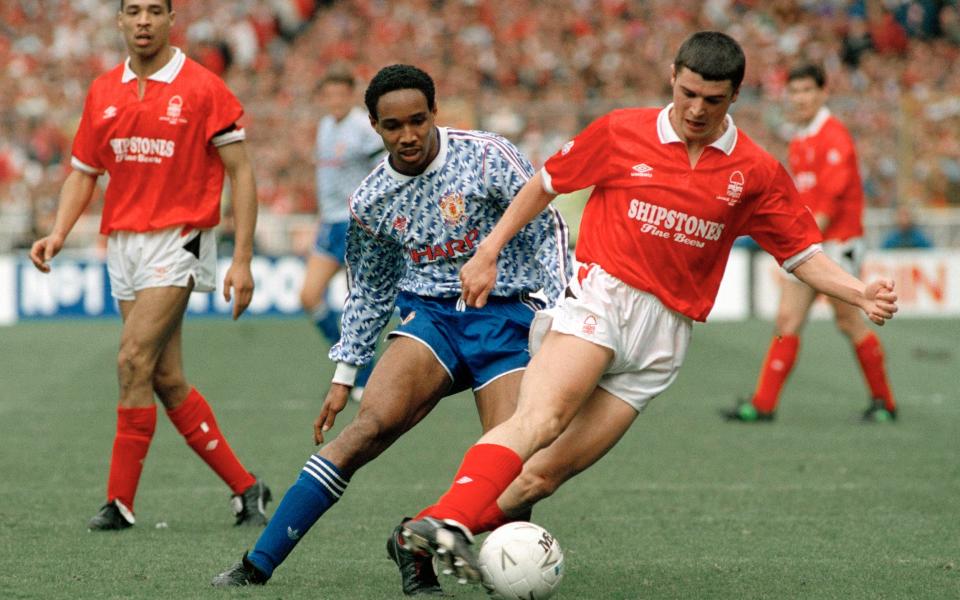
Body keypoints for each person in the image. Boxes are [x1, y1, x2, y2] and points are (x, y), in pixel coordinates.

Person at [395, 32, 899, 585]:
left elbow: (801, 253)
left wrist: (858, 292)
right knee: (542, 419)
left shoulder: (754, 171)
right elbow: (544, 184)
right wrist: (488, 251)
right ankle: (450, 522)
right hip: (602, 298)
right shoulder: (621, 131)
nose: (696, 109)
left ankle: (417, 534)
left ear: (735, 96)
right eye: (688, 93)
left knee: (542, 478)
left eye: (713, 99)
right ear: (673, 77)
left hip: (665, 338)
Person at [211, 64, 570, 592]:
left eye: (418, 121)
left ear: (435, 114)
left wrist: (558, 313)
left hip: (507, 318)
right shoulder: (372, 200)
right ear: (374, 127)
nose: (408, 136)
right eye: (393, 126)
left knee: (517, 464)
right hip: (432, 321)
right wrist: (344, 371)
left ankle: (420, 545)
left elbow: (546, 228)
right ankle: (257, 564)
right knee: (365, 429)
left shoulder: (488, 155)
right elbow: (371, 290)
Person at [29, 0, 270, 531]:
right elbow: (83, 172)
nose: (143, 20)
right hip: (124, 244)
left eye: (154, 11)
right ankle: (247, 488)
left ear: (170, 21)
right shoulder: (103, 91)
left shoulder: (204, 87)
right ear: (119, 20)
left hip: (181, 238)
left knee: (132, 359)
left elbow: (242, 173)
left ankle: (118, 503)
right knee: (164, 376)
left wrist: (244, 257)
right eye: (133, 10)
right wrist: (59, 232)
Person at [725, 63, 898, 423]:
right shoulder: (802, 137)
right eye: (795, 91)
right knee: (787, 320)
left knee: (849, 323)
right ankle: (763, 404)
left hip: (836, 244)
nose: (800, 98)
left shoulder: (833, 136)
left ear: (823, 93)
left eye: (807, 90)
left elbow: (827, 206)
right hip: (809, 244)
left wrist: (794, 242)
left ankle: (884, 402)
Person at [300, 66, 384, 401]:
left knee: (360, 303)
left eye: (340, 94)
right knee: (309, 296)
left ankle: (362, 373)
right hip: (330, 224)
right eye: (329, 95)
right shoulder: (324, 126)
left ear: (351, 95)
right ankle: (350, 360)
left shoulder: (364, 128)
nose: (334, 100)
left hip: (356, 225)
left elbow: (384, 168)